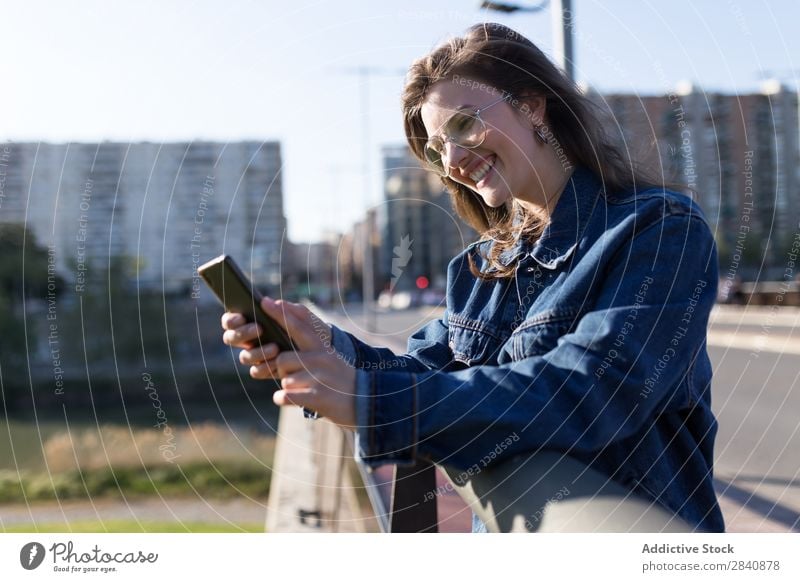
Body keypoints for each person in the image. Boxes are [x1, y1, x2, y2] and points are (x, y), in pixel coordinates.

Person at [221, 23, 725, 532]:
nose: (454, 161)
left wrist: (371, 402)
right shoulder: (480, 266)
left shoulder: (659, 229)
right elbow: (427, 372)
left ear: (532, 106)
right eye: (438, 149)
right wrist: (327, 348)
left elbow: (593, 390)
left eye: (463, 126)